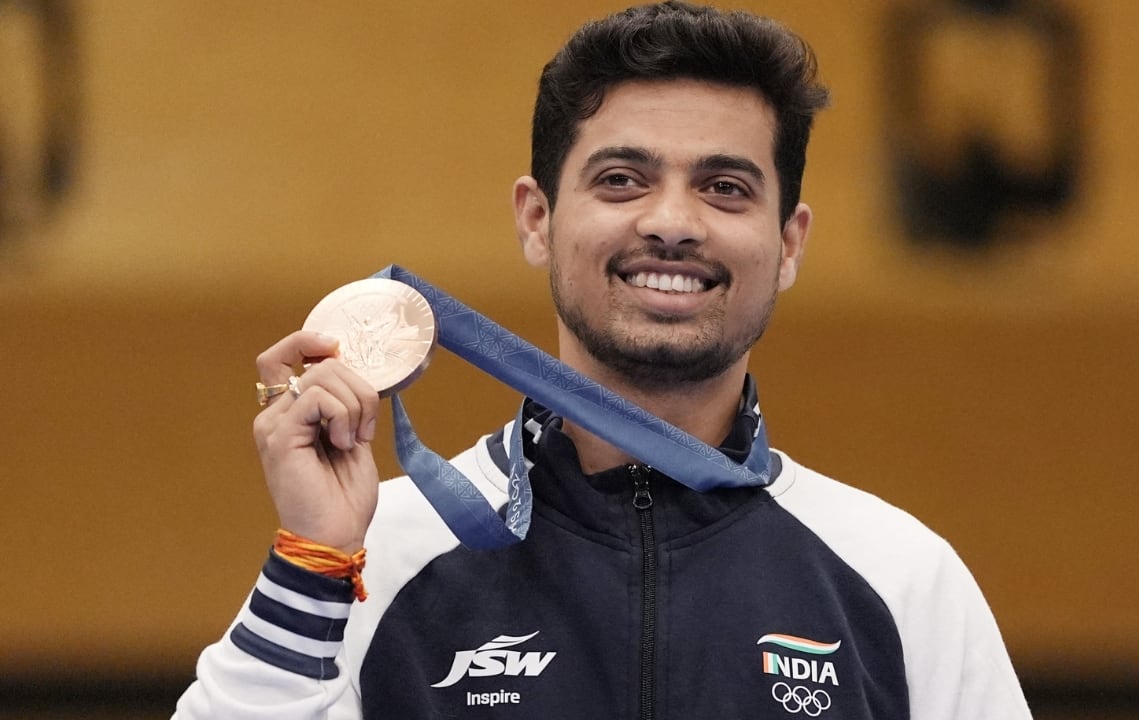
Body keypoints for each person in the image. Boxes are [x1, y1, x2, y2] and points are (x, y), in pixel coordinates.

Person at [174, 2, 1032, 718]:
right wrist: (314, 561)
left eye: (725, 187)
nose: (672, 221)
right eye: (622, 179)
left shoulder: (898, 578)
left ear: (789, 241)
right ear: (537, 220)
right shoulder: (382, 555)